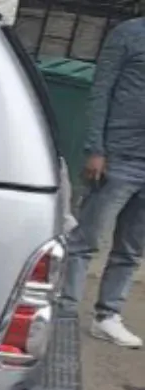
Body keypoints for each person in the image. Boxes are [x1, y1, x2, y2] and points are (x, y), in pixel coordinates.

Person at [58, 18, 145, 348]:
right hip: (118, 156)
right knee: (86, 240)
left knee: (131, 249)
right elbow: (101, 91)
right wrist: (96, 148)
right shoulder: (129, 35)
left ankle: (107, 315)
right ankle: (65, 311)